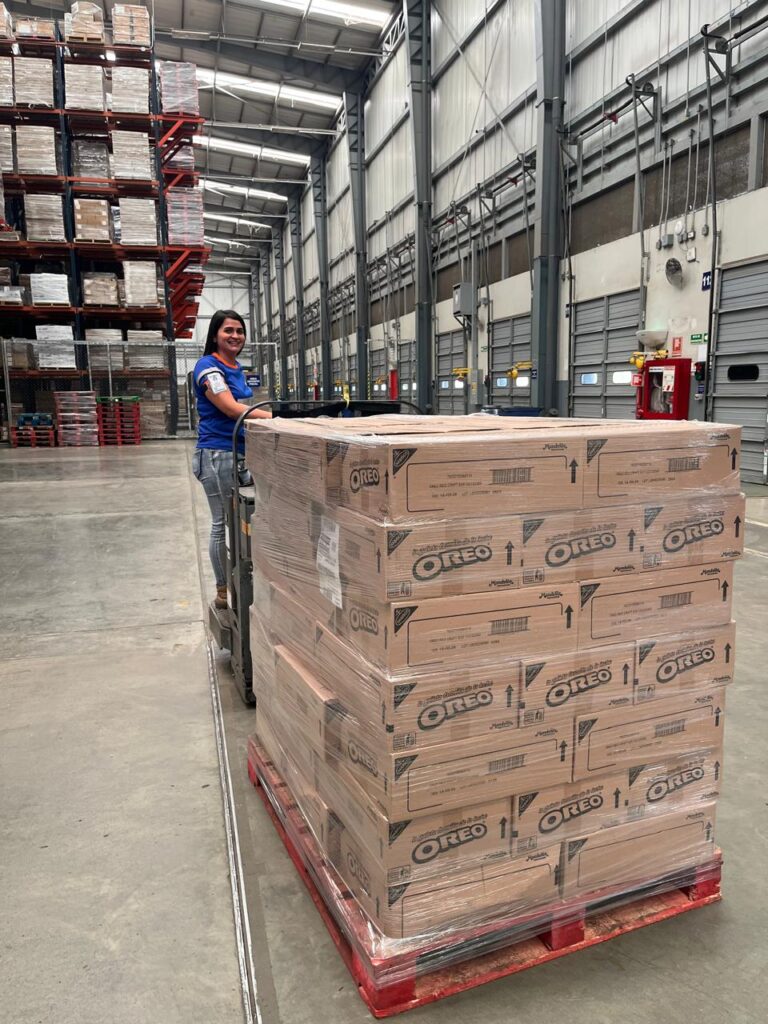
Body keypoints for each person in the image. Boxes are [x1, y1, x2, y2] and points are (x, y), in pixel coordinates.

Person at [192, 309, 271, 609]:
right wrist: (275, 418)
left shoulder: (236, 368)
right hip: (216, 453)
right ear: (215, 335)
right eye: (228, 330)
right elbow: (228, 407)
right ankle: (223, 590)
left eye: (240, 331)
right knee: (221, 521)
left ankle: (244, 579)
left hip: (239, 453)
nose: (235, 336)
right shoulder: (208, 366)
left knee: (243, 519)